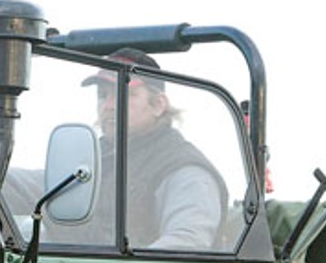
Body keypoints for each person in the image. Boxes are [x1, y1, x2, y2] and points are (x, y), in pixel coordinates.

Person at [85, 48, 229, 250]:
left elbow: (187, 243)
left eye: (122, 94)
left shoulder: (184, 170)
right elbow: (42, 187)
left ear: (158, 105)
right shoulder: (93, 159)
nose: (108, 105)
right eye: (102, 95)